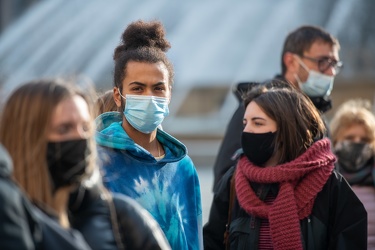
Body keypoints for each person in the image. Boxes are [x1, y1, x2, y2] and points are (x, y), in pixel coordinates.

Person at [0, 78, 171, 250]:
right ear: (25, 140)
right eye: (64, 128)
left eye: (85, 127)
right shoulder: (11, 224)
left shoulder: (120, 219)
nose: (81, 138)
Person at [203, 82, 367, 250]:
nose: (247, 131)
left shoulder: (329, 184)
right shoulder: (234, 180)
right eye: (245, 123)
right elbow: (212, 241)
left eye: (258, 123)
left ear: (285, 130)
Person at [95, 20, 203, 250]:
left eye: (158, 88)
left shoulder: (184, 166)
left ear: (169, 94)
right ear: (118, 95)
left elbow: (192, 238)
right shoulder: (97, 161)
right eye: (137, 88)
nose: (149, 96)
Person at [212, 25, 343, 190]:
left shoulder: (316, 111)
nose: (331, 72)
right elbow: (225, 175)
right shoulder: (260, 106)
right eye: (323, 62)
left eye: (334, 64)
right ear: (291, 61)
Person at [330, 98, 375, 249]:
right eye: (350, 138)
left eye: (364, 139)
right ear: (336, 141)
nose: (357, 143)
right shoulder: (325, 181)